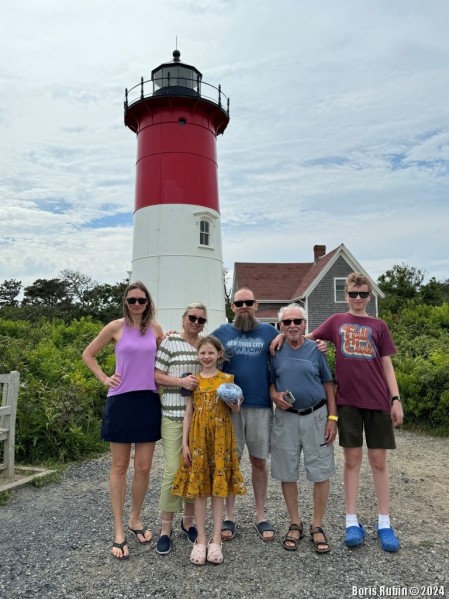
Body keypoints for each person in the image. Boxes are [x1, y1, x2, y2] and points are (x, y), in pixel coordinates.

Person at [309, 272, 404, 552]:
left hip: (377, 401)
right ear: (346, 294)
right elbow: (307, 338)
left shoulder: (379, 325)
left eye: (363, 294)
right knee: (352, 461)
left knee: (378, 462)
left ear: (369, 296)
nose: (358, 298)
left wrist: (395, 399)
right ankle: (352, 521)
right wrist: (288, 339)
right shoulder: (336, 321)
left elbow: (387, 365)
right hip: (348, 402)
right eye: (353, 293)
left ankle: (384, 522)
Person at [82, 281, 164, 559]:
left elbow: (165, 359)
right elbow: (88, 354)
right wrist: (105, 377)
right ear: (125, 302)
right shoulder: (115, 327)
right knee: (119, 467)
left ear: (148, 302)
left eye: (142, 300)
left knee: (143, 468)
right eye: (132, 300)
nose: (137, 304)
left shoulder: (155, 330)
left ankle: (135, 519)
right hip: (121, 400)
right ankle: (119, 529)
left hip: (148, 400)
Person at [172, 336, 246, 565]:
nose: (206, 357)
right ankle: (201, 539)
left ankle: (216, 539)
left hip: (221, 439)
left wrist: (236, 408)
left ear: (218, 355)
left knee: (218, 490)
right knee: (201, 490)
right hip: (198, 441)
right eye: (202, 353)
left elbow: (235, 414)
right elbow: (188, 413)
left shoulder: (227, 380)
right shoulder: (192, 382)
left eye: (211, 353)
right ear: (198, 355)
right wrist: (185, 444)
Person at [212, 288, 279, 542]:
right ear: (232, 307)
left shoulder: (270, 332)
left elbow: (293, 341)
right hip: (230, 407)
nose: (244, 306)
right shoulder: (222, 332)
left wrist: (316, 341)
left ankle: (260, 515)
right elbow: (201, 347)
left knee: (259, 461)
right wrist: (174, 335)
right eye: (239, 303)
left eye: (248, 302)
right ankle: (230, 515)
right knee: (231, 461)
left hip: (261, 405)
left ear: (256, 305)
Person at [270, 304, 337, 554]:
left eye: (297, 321)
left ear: (305, 324)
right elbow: (270, 384)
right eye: (287, 322)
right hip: (286, 418)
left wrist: (333, 418)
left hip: (316, 416)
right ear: (280, 326)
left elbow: (329, 384)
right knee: (287, 471)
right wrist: (274, 395)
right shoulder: (274, 351)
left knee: (320, 471)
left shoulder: (317, 349)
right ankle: (295, 522)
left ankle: (317, 525)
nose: (292, 326)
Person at [153, 303, 208, 554]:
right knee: (173, 470)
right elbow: (157, 375)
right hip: (173, 414)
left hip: (199, 417)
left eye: (201, 319)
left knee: (192, 469)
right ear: (183, 318)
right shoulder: (169, 342)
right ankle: (165, 529)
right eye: (192, 317)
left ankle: (188, 523)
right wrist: (181, 382)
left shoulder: (206, 344)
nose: (196, 322)